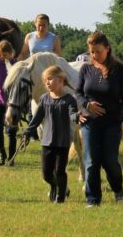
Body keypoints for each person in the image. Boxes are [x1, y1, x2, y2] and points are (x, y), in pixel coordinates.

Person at [74, 31, 123, 207]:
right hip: (89, 122)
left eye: (98, 51)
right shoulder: (85, 69)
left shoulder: (119, 69)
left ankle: (118, 189)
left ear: (107, 49)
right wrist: (86, 104)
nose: (94, 55)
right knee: (91, 161)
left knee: (110, 161)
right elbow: (77, 93)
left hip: (112, 123)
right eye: (91, 52)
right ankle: (93, 200)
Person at [23, 66, 79, 203]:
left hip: (62, 142)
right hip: (47, 142)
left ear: (60, 80)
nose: (47, 83)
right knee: (46, 175)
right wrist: (28, 130)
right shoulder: (44, 99)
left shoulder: (69, 100)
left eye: (50, 79)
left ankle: (60, 198)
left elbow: (73, 115)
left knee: (60, 171)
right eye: (45, 80)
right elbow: (37, 118)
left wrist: (77, 117)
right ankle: (57, 187)